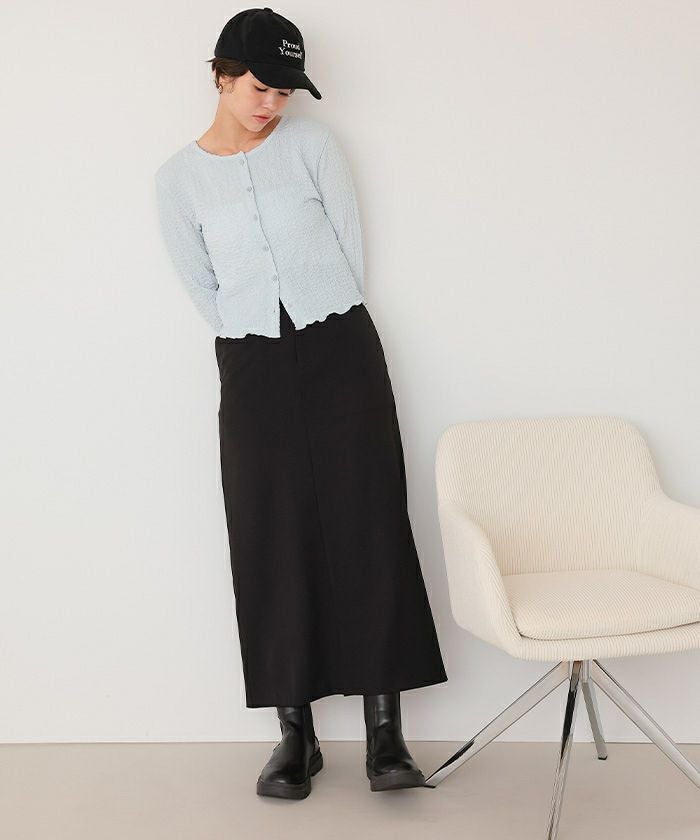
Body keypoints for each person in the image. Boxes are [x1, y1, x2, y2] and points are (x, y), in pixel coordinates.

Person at [154, 6, 447, 800]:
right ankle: (297, 735)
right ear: (222, 75)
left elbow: (349, 248)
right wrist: (254, 331)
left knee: (369, 519)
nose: (272, 103)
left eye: (285, 91)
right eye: (261, 86)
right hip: (250, 359)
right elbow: (202, 285)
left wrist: (317, 316)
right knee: (268, 529)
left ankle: (385, 733)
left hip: (339, 342)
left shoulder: (315, 147)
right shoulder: (177, 181)